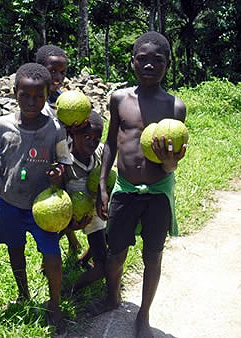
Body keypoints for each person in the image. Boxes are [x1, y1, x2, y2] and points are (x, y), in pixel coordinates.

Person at [0, 62, 72, 335]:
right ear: (15, 93)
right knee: (15, 250)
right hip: (10, 201)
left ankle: (55, 305)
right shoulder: (2, 126)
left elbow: (64, 161)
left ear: (47, 93)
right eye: (25, 95)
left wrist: (58, 174)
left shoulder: (55, 128)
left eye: (39, 96)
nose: (31, 101)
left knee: (52, 254)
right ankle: (23, 294)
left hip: (44, 207)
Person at [96, 31, 187, 338]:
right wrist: (102, 185)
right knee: (116, 253)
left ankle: (143, 315)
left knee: (153, 256)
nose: (150, 65)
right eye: (143, 59)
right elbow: (110, 143)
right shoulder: (120, 98)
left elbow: (173, 163)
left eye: (158, 60)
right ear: (132, 62)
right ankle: (112, 297)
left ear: (168, 65)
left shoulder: (175, 107)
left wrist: (169, 162)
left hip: (158, 193)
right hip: (124, 189)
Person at [36, 44, 82, 253]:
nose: (58, 77)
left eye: (62, 72)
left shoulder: (64, 100)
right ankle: (52, 251)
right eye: (52, 71)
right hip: (42, 160)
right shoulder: (34, 99)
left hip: (63, 158)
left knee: (63, 201)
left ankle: (71, 240)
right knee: (50, 204)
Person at [62, 111, 108, 294]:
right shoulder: (64, 161)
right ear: (73, 134)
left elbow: (110, 152)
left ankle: (83, 260)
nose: (92, 142)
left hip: (95, 211)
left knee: (103, 259)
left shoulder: (100, 152)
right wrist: (69, 225)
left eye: (96, 138)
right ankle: (69, 290)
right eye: (87, 136)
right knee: (52, 234)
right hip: (72, 212)